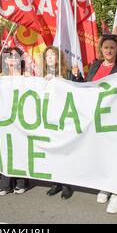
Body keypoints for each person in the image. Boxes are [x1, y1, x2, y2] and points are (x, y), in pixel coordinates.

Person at [86, 34, 117, 214]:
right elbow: (86, 88)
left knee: (116, 155)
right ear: (101, 49)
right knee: (102, 154)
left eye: (112, 47)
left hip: (115, 118)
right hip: (97, 118)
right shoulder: (95, 66)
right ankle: (105, 185)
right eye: (106, 48)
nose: (109, 51)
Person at [41, 46, 76, 200]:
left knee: (63, 151)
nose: (49, 57)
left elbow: (78, 89)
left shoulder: (67, 73)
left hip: (64, 117)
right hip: (48, 117)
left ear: (58, 57)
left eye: (53, 54)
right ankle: (55, 183)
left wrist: (74, 77)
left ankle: (67, 184)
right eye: (47, 55)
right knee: (52, 151)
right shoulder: (41, 74)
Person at [0, 47, 29, 196]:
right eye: (10, 56)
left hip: (20, 118)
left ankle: (21, 182)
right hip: (4, 119)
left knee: (19, 150)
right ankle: (5, 183)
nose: (13, 58)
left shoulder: (26, 77)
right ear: (5, 59)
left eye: (16, 56)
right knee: (6, 150)